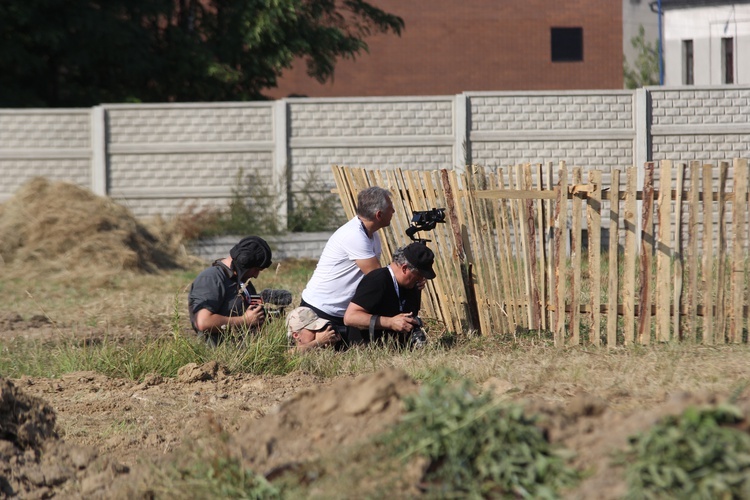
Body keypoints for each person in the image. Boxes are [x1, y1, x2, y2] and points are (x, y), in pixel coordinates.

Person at [300, 186, 395, 329]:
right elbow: (377, 278)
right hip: (319, 311)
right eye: (390, 208)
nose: (393, 211)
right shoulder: (354, 235)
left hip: (339, 313)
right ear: (379, 215)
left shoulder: (371, 233)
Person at [344, 242, 435, 346]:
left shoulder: (411, 285)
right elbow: (350, 317)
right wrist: (390, 322)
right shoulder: (377, 280)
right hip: (367, 347)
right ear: (404, 268)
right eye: (419, 274)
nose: (422, 279)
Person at [188, 236, 273, 345]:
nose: (256, 275)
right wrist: (244, 320)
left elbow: (252, 313)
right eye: (256, 269)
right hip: (217, 356)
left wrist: (265, 313)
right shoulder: (211, 278)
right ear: (244, 262)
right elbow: (203, 322)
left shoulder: (243, 281)